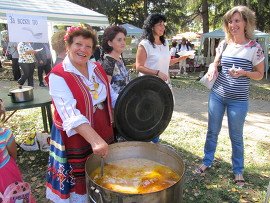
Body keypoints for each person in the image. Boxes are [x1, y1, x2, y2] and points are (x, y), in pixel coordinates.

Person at [45, 26, 118, 202]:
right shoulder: (58, 75)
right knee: (79, 182)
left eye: (88, 46)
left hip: (102, 127)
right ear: (68, 46)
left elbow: (111, 95)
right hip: (75, 135)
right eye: (78, 44)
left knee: (101, 172)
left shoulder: (96, 68)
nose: (83, 50)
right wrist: (95, 140)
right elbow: (70, 114)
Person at [195, 6, 265, 187]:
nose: (233, 25)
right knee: (212, 131)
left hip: (238, 101)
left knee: (236, 136)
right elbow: (216, 61)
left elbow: (260, 74)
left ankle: (238, 171)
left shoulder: (254, 48)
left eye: (237, 21)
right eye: (230, 21)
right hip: (217, 95)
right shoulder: (224, 44)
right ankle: (207, 161)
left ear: (246, 23)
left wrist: (244, 72)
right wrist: (212, 66)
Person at [136, 13, 189, 143]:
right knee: (149, 115)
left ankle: (154, 142)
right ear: (151, 26)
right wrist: (156, 72)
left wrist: (180, 59)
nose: (162, 27)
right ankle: (146, 143)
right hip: (148, 86)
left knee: (160, 115)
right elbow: (139, 67)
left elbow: (165, 62)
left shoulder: (165, 44)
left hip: (163, 86)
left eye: (163, 24)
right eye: (159, 24)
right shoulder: (145, 44)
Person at [0, 99, 35, 202]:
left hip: (7, 174)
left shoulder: (5, 134)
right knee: (15, 197)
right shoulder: (5, 134)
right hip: (7, 172)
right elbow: (13, 155)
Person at [101, 25, 130, 94]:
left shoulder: (120, 60)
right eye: (119, 40)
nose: (123, 43)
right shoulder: (108, 62)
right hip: (115, 103)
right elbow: (106, 90)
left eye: (124, 39)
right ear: (110, 43)